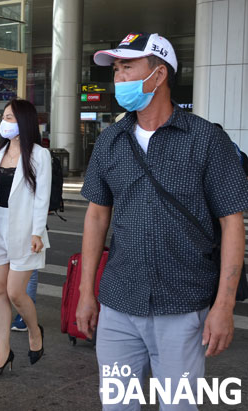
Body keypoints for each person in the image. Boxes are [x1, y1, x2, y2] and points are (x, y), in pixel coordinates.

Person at [76, 32, 248, 410]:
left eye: (128, 67)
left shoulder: (206, 140)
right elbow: (96, 215)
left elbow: (232, 223)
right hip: (119, 303)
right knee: (118, 405)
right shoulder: (110, 141)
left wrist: (223, 306)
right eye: (116, 69)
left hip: (183, 306)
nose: (118, 78)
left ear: (159, 74)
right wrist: (86, 293)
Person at [0, 99, 51, 375]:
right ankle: (3, 353)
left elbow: (42, 197)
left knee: (15, 292)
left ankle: (34, 332)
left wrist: (37, 231)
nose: (3, 122)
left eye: (9, 117)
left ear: (23, 122)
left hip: (26, 230)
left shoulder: (39, 156)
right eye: (4, 117)